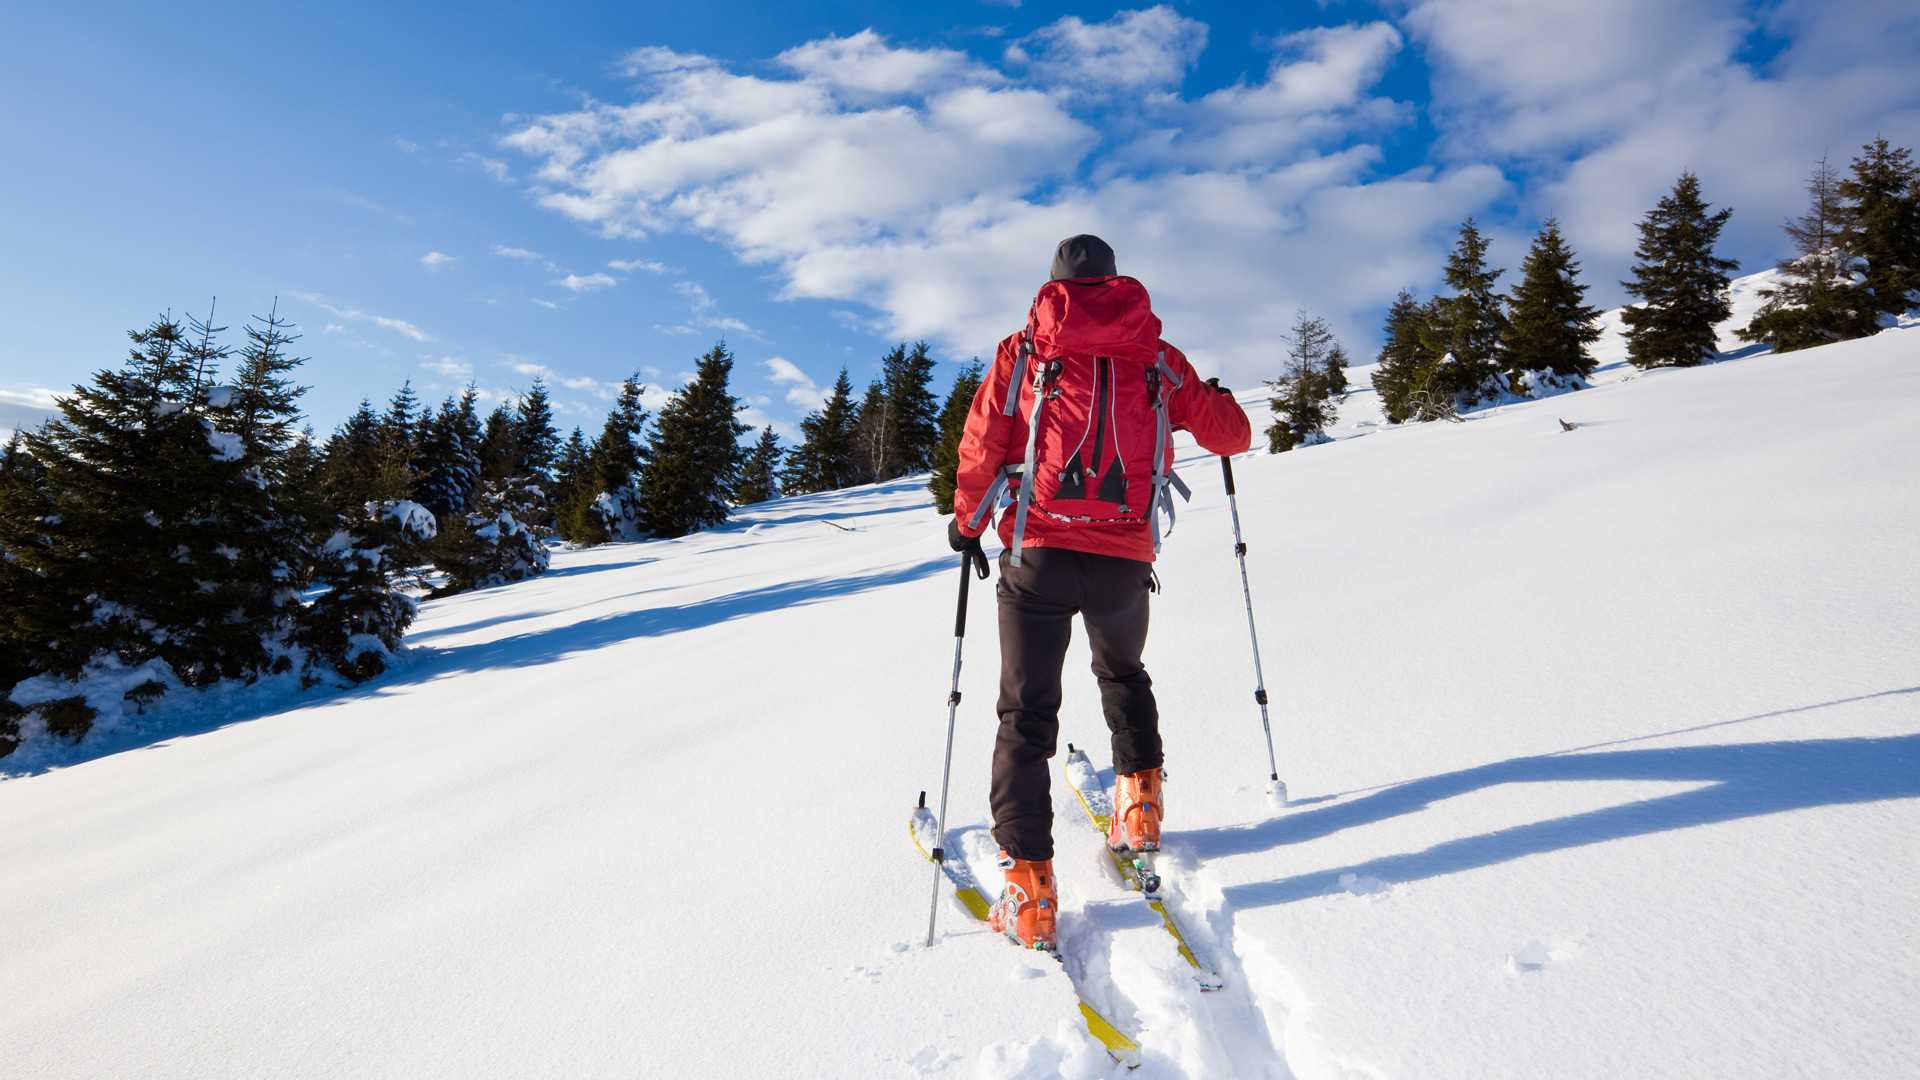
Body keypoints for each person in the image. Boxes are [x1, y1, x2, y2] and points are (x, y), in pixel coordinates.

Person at [947, 234, 1252, 950]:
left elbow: (984, 440)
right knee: (1122, 671)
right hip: (1122, 558)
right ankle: (1139, 809)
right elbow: (1231, 437)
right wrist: (1221, 403)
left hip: (1039, 556)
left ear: (1054, 285)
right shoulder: (1156, 355)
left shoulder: (1024, 351)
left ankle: (1027, 890)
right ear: (1116, 282)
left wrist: (968, 525)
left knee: (1025, 714)